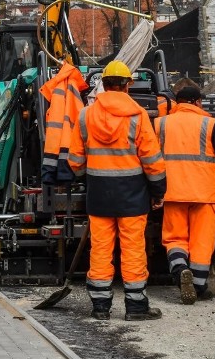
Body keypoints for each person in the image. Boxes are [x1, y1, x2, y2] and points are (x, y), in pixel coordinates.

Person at [68, 60, 167, 321]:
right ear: (127, 85)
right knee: (133, 247)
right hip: (132, 193)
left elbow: (75, 160)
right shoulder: (138, 116)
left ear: (103, 84)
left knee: (100, 248)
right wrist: (158, 190)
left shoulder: (86, 115)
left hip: (99, 193)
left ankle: (100, 307)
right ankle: (136, 307)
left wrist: (84, 177)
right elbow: (152, 159)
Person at [154, 83, 215, 303]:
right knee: (202, 242)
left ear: (177, 102)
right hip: (204, 193)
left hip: (172, 192)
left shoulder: (160, 123)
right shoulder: (211, 124)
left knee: (174, 238)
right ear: (199, 102)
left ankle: (180, 268)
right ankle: (199, 286)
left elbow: (149, 154)